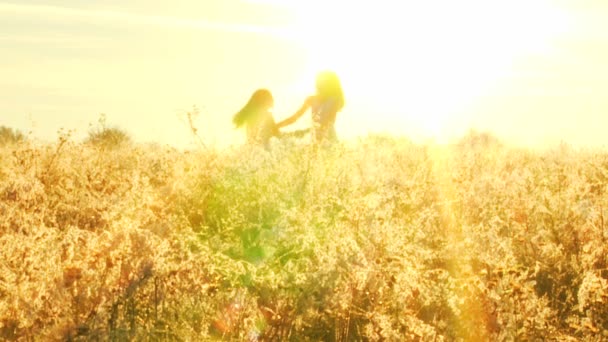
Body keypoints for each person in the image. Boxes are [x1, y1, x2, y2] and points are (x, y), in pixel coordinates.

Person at [276, 71, 344, 144]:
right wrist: (276, 126)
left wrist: (316, 133)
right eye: (319, 81)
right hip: (315, 136)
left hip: (328, 137)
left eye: (324, 81)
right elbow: (295, 117)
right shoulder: (311, 99)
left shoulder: (335, 100)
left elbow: (330, 121)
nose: (320, 83)